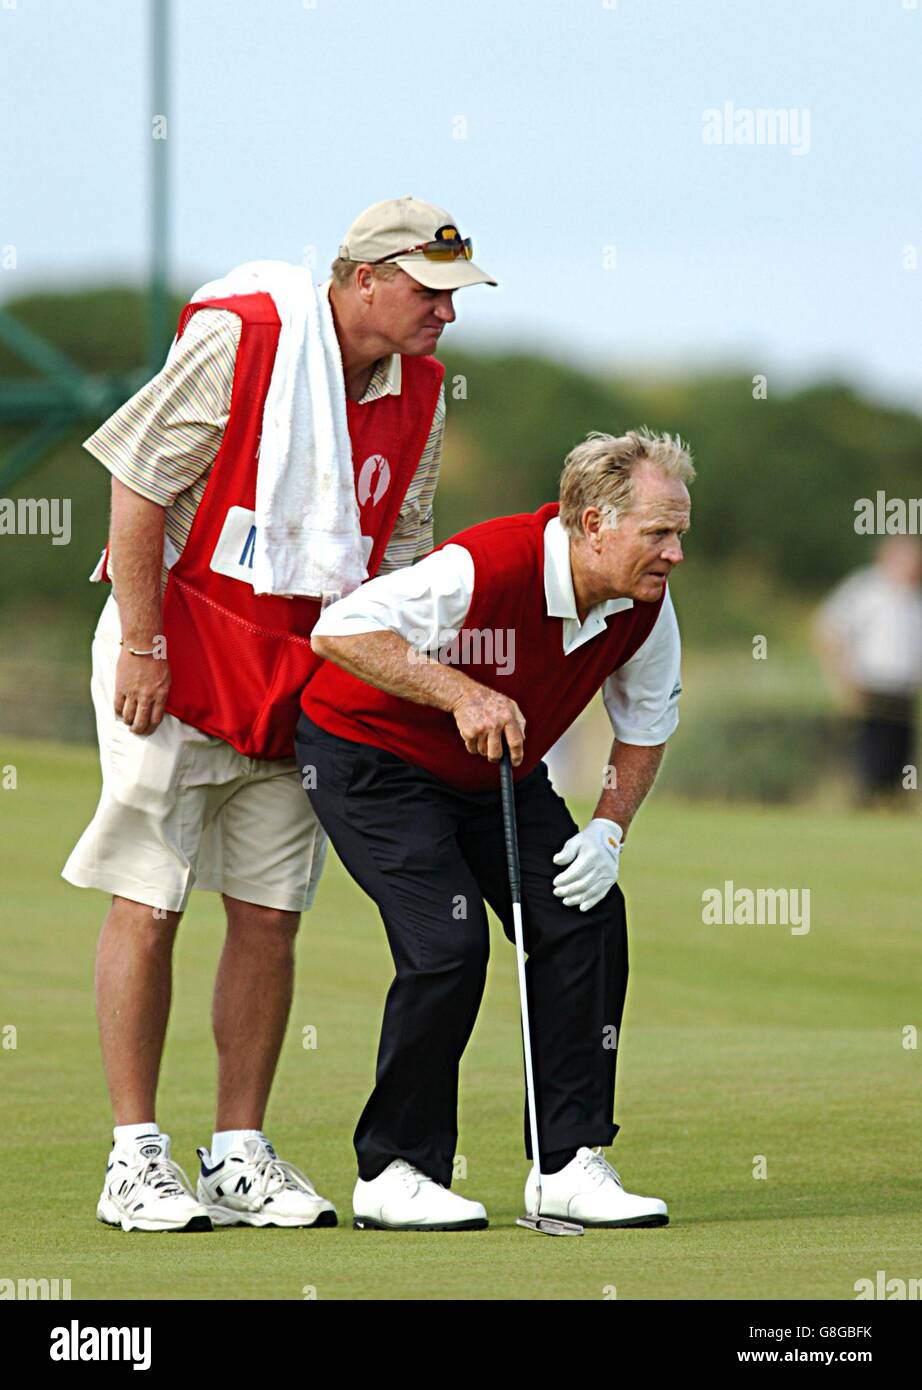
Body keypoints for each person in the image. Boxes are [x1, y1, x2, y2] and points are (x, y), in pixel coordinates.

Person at [62, 197, 496, 1232]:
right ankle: (135, 1156)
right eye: (429, 293)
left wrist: (409, 685)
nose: (446, 315)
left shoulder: (421, 391)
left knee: (267, 912)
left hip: (301, 674)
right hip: (172, 649)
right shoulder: (244, 336)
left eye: (454, 296)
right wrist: (141, 642)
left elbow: (398, 554)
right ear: (360, 281)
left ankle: (238, 1151)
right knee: (150, 898)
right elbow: (136, 482)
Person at [296, 428, 694, 1230]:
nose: (675, 552)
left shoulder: (642, 606)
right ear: (593, 525)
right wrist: (459, 693)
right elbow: (338, 630)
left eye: (681, 532)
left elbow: (646, 726)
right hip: (372, 757)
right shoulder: (489, 565)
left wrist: (607, 831)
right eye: (659, 532)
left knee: (583, 916)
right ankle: (393, 1170)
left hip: (495, 772)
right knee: (449, 943)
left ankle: (566, 1163)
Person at [814, 536, 922, 803]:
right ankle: (865, 804)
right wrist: (843, 679)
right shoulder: (866, 590)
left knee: (900, 756)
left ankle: (891, 805)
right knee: (871, 757)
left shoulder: (914, 597)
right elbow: (830, 631)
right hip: (871, 686)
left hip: (904, 690)